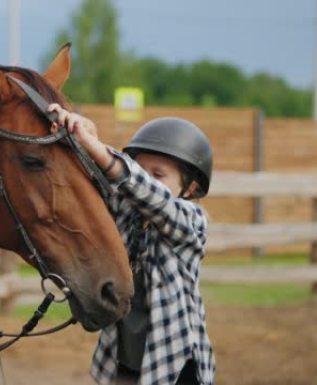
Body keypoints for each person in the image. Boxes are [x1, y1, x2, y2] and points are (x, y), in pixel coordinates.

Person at [47, 104, 216, 385]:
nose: (146, 178)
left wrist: (99, 148)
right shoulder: (126, 212)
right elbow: (101, 182)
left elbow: (152, 196)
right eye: (140, 168)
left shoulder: (192, 221)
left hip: (173, 369)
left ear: (191, 189)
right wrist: (78, 135)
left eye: (158, 174)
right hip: (121, 364)